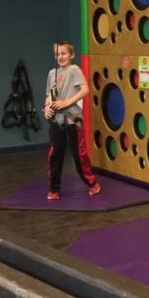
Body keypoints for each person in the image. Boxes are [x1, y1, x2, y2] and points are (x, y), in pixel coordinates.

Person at [43, 41, 101, 200]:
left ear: (71, 55)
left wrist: (67, 102)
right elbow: (49, 95)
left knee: (79, 154)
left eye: (63, 53)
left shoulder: (74, 70)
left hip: (72, 119)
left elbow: (85, 89)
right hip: (57, 120)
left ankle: (92, 183)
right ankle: (54, 189)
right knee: (54, 154)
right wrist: (47, 107)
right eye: (57, 54)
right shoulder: (52, 74)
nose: (60, 57)